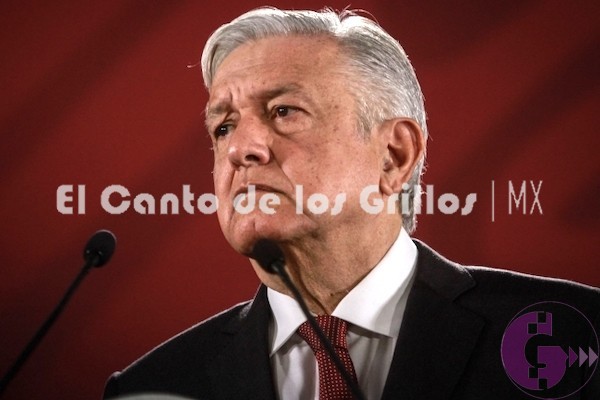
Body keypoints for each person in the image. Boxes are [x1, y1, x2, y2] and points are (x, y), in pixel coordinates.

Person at [104, 7, 599, 400]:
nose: (239, 149)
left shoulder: (575, 335)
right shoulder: (157, 385)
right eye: (224, 126)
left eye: (283, 111)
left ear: (393, 155)